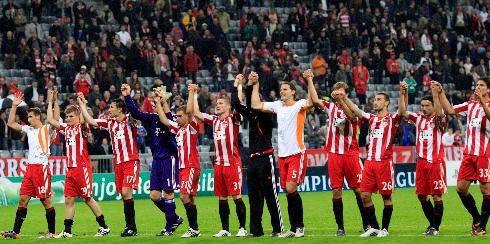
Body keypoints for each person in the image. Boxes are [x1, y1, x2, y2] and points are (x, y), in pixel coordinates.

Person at [251, 70, 316, 238]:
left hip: (296, 153)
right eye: (281, 90)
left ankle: (300, 226)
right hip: (283, 155)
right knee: (289, 192)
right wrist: (256, 84)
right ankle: (293, 228)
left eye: (285, 89)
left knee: (290, 188)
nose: (282, 92)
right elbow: (255, 105)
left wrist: (309, 80)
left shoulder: (299, 104)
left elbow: (313, 101)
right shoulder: (278, 106)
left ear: (293, 92)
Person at [308, 77, 369, 236]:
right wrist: (309, 79)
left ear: (346, 94)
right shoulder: (330, 106)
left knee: (359, 190)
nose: (339, 95)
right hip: (334, 154)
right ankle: (340, 227)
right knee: (336, 192)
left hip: (351, 154)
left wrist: (342, 100)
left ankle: (367, 224)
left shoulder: (354, 107)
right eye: (337, 92)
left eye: (342, 92)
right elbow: (315, 100)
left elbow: (351, 117)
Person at [46, 88, 110, 238]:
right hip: (70, 169)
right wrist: (50, 101)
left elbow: (83, 119)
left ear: (77, 116)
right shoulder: (66, 129)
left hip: (82, 168)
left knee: (88, 198)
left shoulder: (82, 128)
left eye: (70, 116)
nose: (67, 119)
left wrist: (82, 103)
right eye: (66, 116)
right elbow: (50, 120)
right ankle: (67, 231)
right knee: (68, 199)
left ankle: (104, 227)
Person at [121, 84, 183, 236]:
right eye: (154, 104)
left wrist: (161, 100)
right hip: (156, 160)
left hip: (169, 159)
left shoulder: (170, 118)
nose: (155, 105)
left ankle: (169, 228)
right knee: (154, 196)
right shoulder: (152, 119)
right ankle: (174, 218)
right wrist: (128, 96)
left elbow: (165, 115)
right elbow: (135, 112)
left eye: (157, 103)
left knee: (168, 194)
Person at [341, 91, 402, 238]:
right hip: (369, 162)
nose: (375, 102)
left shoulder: (393, 118)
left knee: (386, 198)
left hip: (384, 163)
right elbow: (356, 111)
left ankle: (385, 229)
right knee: (364, 196)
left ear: (386, 103)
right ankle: (374, 227)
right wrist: (344, 97)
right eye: (374, 100)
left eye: (379, 99)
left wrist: (403, 93)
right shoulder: (372, 118)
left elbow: (403, 110)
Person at [189, 84, 247, 238]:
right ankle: (225, 229)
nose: (218, 105)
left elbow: (239, 104)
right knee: (222, 198)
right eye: (217, 104)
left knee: (236, 196)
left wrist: (239, 86)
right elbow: (196, 112)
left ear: (228, 106)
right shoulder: (214, 120)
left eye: (221, 104)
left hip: (232, 164)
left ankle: (242, 228)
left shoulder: (233, 119)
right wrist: (194, 94)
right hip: (219, 165)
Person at [78, 95, 140, 237]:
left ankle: (130, 226)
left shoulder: (130, 120)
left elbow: (135, 113)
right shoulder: (110, 123)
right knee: (124, 196)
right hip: (118, 164)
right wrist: (82, 104)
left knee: (126, 192)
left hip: (131, 161)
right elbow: (91, 121)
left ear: (120, 109)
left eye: (111, 107)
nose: (109, 109)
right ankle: (132, 227)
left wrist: (127, 95)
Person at [231, 73, 283, 237]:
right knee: (254, 197)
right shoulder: (252, 116)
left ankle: (277, 228)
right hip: (253, 159)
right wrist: (237, 85)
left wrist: (253, 84)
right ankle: (256, 230)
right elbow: (235, 103)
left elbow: (252, 104)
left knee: (270, 195)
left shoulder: (266, 113)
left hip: (266, 157)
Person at [436, 78, 490, 236]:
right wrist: (441, 93)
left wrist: (481, 103)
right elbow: (450, 110)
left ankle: (482, 227)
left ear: (488, 90)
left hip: (484, 154)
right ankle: (477, 218)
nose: (477, 87)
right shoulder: (470, 105)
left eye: (481, 85)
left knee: (486, 189)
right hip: (468, 154)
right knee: (460, 189)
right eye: (477, 85)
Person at [1, 92, 57, 239]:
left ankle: (52, 233)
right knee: (22, 200)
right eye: (28, 117)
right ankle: (15, 232)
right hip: (30, 169)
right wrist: (14, 106)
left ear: (37, 117)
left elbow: (55, 119)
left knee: (46, 201)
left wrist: (52, 101)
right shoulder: (29, 129)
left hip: (41, 168)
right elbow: (10, 123)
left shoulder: (47, 129)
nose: (28, 119)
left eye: (30, 116)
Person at [398, 81, 446, 236]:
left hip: (435, 162)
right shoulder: (418, 119)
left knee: (436, 195)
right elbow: (403, 112)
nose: (424, 108)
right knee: (421, 196)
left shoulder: (439, 119)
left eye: (427, 106)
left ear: (433, 106)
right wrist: (403, 93)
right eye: (422, 106)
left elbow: (439, 113)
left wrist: (435, 95)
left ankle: (435, 227)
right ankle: (432, 225)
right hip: (421, 162)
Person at [154, 91, 201, 238]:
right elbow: (165, 119)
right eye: (177, 116)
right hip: (183, 168)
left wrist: (192, 92)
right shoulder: (178, 130)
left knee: (183, 196)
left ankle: (193, 228)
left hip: (190, 166)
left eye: (180, 116)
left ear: (187, 117)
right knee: (190, 198)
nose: (178, 118)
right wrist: (159, 102)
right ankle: (195, 229)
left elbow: (190, 111)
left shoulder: (191, 127)